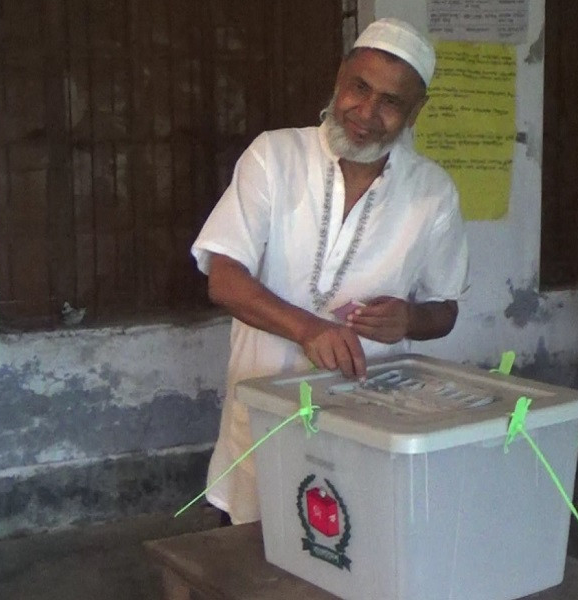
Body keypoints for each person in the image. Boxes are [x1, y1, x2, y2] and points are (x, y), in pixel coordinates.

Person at [190, 17, 469, 525]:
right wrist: (309, 328)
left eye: (390, 101)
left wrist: (409, 320)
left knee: (350, 549)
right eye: (359, 88)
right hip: (261, 418)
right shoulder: (275, 156)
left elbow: (446, 309)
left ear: (414, 113)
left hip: (366, 424)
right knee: (255, 555)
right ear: (340, 78)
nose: (366, 113)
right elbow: (223, 279)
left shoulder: (433, 193)